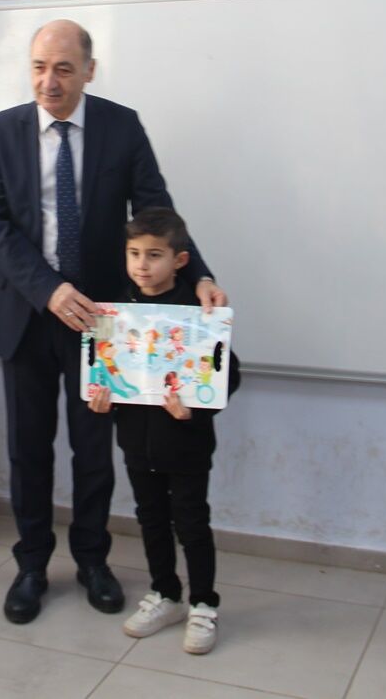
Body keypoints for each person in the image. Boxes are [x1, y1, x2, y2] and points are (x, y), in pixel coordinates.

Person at [0, 19, 227, 625]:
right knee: (28, 450)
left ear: (89, 70)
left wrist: (198, 275)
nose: (49, 81)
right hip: (28, 314)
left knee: (92, 451)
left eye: (63, 69)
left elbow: (157, 211)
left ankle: (92, 560)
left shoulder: (121, 126)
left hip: (104, 321)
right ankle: (32, 564)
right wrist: (49, 289)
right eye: (39, 67)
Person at [88, 207, 240, 655]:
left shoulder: (200, 314)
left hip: (187, 443)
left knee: (191, 524)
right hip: (137, 442)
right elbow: (105, 373)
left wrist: (194, 409)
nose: (142, 265)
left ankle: (204, 604)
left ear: (180, 260)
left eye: (154, 255)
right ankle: (165, 594)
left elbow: (228, 376)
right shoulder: (114, 312)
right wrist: (101, 399)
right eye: (134, 253)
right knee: (150, 519)